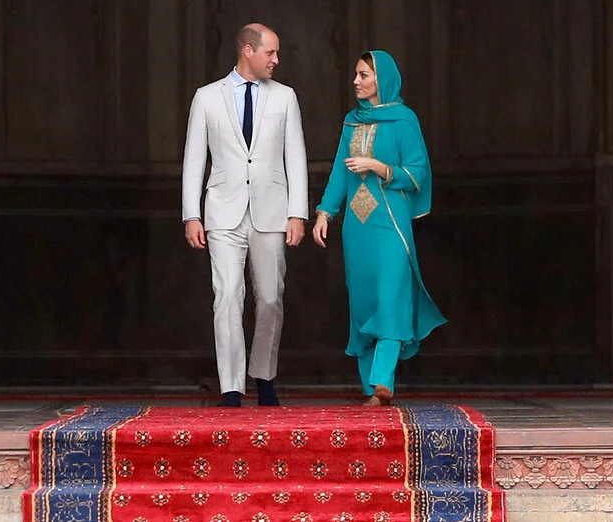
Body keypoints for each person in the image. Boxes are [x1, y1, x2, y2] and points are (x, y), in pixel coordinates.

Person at [181, 22, 309, 407]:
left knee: (271, 297)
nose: (276, 59)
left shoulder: (285, 97)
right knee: (227, 296)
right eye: (270, 52)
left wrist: (297, 212)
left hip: (272, 210)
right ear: (247, 51)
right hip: (222, 210)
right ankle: (231, 387)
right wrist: (191, 213)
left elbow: (296, 157)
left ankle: (264, 376)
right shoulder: (206, 98)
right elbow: (193, 159)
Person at [310, 49, 444, 404]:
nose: (356, 81)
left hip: (390, 223)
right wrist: (325, 212)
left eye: (363, 75)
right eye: (356, 74)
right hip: (357, 226)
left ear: (381, 79)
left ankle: (383, 381)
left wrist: (380, 167)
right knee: (365, 301)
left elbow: (418, 171)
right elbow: (341, 169)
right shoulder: (352, 121)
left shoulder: (404, 120)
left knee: (390, 296)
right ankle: (372, 390)